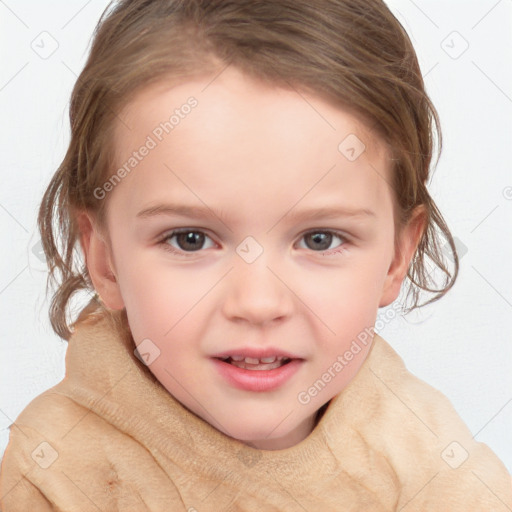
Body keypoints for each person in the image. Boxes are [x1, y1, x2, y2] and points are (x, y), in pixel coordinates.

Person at [1, 0, 511, 510]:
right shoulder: (54, 477)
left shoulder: (438, 472)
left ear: (398, 256)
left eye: (319, 239)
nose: (258, 303)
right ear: (104, 257)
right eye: (190, 239)